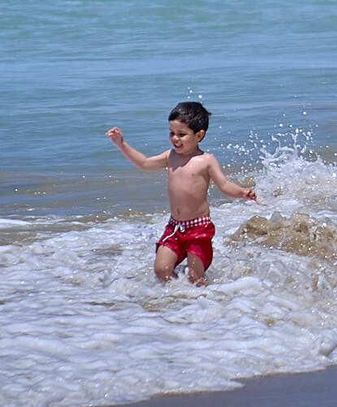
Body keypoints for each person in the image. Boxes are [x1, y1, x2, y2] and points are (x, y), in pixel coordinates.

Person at [105, 101, 258, 285]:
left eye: (181, 134)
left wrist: (242, 192)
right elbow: (145, 163)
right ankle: (179, 301)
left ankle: (210, 300)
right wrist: (121, 144)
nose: (175, 138)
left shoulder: (206, 160)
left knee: (195, 277)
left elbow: (224, 184)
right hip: (175, 228)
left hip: (199, 229)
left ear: (199, 135)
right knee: (161, 270)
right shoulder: (171, 157)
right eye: (172, 133)